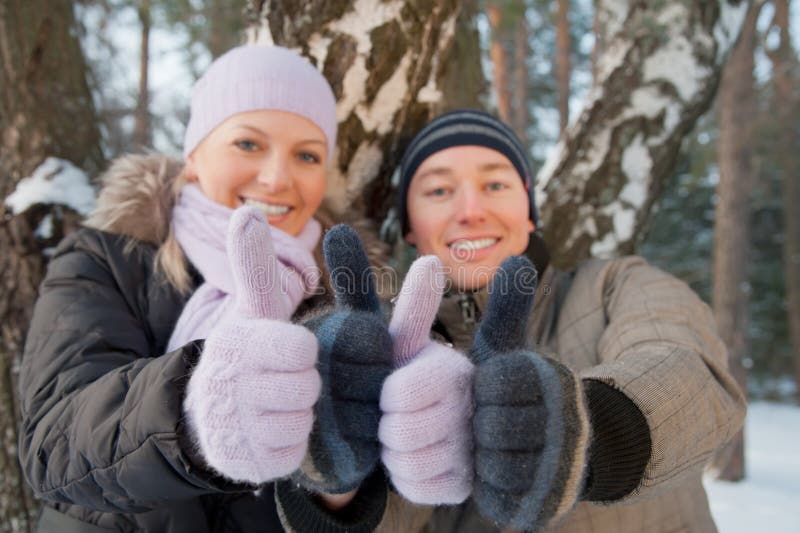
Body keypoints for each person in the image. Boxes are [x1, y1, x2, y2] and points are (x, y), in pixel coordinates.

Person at [17, 44, 390, 533]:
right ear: (193, 156)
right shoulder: (109, 258)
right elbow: (54, 447)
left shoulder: (344, 291)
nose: (277, 177)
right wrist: (197, 411)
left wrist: (339, 488)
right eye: (248, 144)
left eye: (306, 154)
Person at [374, 109, 747, 532]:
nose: (471, 210)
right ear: (408, 224)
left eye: (495, 184)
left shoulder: (614, 287)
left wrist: (579, 434)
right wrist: (341, 492)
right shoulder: (390, 348)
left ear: (528, 211)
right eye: (439, 190)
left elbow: (693, 375)